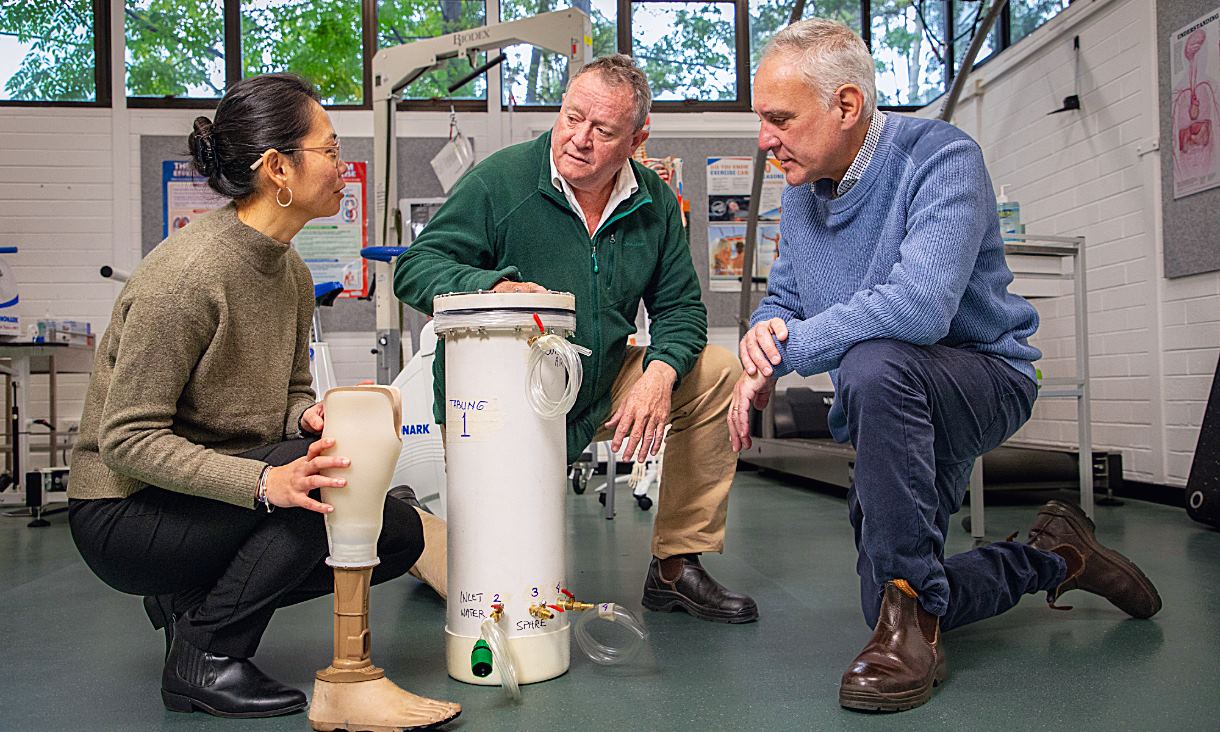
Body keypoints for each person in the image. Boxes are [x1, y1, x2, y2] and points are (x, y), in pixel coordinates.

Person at [728, 20, 1162, 712]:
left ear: (846, 106)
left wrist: (794, 349)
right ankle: (1055, 556)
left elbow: (922, 307)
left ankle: (909, 616)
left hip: (983, 374)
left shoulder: (941, 157)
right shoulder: (802, 197)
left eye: (779, 119)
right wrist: (760, 343)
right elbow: (783, 297)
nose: (764, 139)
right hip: (889, 391)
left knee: (873, 363)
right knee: (893, 595)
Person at [68, 73, 457, 725]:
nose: (342, 166)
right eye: (329, 150)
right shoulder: (186, 278)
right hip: (122, 512)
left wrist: (308, 416)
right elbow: (127, 442)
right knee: (321, 483)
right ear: (278, 168)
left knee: (398, 535)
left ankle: (190, 599)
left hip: (202, 492)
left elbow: (285, 401)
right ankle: (205, 655)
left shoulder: (291, 272)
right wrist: (266, 481)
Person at [394, 54, 757, 624]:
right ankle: (418, 531)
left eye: (603, 130)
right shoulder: (501, 180)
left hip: (600, 379)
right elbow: (415, 269)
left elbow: (682, 308)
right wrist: (493, 287)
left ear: (637, 139)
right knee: (495, 587)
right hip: (503, 399)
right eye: (572, 117)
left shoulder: (655, 204)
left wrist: (659, 374)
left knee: (714, 371)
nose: (579, 138)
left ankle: (675, 566)